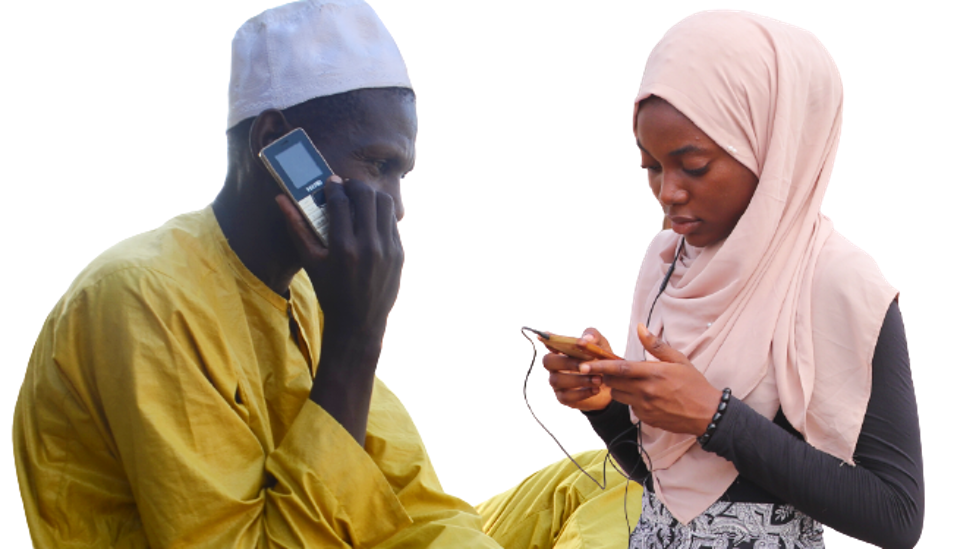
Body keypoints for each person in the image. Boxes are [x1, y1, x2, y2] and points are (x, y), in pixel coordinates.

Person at [12, 1, 501, 547]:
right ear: (273, 140)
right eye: (379, 166)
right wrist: (357, 339)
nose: (397, 206)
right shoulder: (146, 297)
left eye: (402, 174)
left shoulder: (308, 299)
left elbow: (412, 504)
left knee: (588, 488)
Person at [481, 11, 923, 549]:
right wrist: (606, 407)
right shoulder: (667, 263)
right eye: (651, 166)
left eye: (692, 165)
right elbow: (663, 479)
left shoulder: (838, 281)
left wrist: (716, 417)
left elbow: (897, 517)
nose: (668, 192)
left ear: (771, 147)